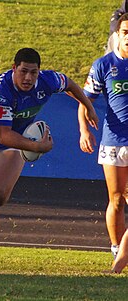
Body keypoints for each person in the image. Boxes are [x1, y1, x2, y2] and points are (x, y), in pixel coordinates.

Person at [0, 47, 99, 274]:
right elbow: (2, 135)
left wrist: (88, 106)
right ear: (14, 68)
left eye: (33, 72)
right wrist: (38, 147)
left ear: (39, 72)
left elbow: (70, 84)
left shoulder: (47, 81)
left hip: (15, 143)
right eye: (23, 71)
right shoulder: (0, 89)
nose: (28, 78)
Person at [78, 14, 128, 262]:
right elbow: (85, 100)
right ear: (117, 35)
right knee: (116, 199)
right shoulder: (104, 65)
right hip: (113, 141)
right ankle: (116, 247)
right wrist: (84, 130)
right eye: (125, 32)